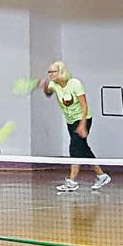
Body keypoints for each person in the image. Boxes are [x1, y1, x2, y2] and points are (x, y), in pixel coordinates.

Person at [43, 61, 110, 192]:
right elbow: (48, 91)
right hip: (70, 121)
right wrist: (44, 86)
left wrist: (83, 125)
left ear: (61, 71)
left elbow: (84, 105)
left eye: (53, 71)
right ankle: (102, 175)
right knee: (83, 149)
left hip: (82, 119)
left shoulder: (75, 84)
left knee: (74, 148)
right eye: (49, 72)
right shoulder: (54, 84)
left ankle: (72, 181)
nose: (50, 74)